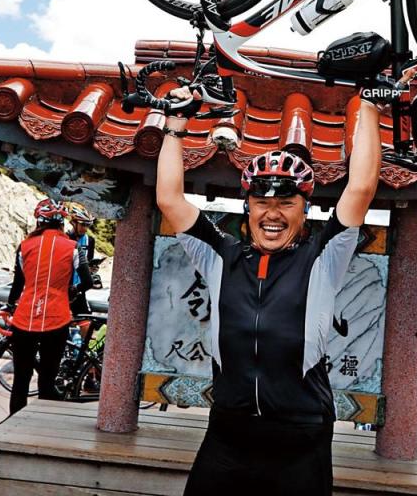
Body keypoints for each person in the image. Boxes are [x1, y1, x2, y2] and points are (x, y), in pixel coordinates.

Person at [158, 86, 381, 496]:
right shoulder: (219, 256)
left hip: (301, 435)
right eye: (261, 201)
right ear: (248, 207)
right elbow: (169, 199)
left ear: (305, 208)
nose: (272, 213)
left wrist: (367, 101)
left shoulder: (323, 258)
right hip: (229, 432)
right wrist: (175, 125)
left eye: (287, 202)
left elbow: (362, 187)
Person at [6, 199, 91, 414]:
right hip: (57, 317)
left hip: (25, 317)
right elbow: (87, 281)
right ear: (62, 223)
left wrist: (8, 306)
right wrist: (72, 293)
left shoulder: (24, 246)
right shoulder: (73, 248)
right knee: (47, 381)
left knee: (21, 381)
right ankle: (43, 431)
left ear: (39, 222)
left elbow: (18, 283)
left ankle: (12, 429)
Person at [64, 201, 97, 320]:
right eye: (83, 224)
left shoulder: (90, 241)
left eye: (88, 225)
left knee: (86, 320)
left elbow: (88, 261)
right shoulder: (64, 239)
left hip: (79, 288)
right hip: (64, 289)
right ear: (73, 223)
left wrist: (92, 269)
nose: (85, 228)